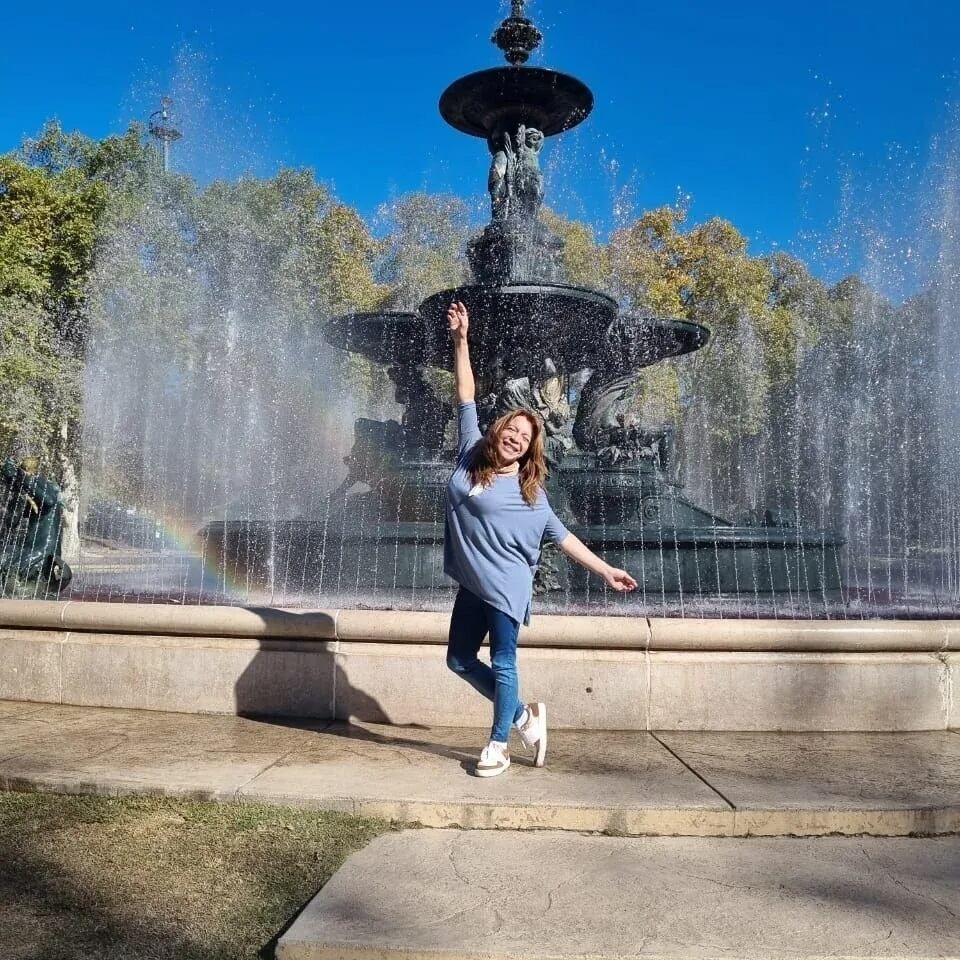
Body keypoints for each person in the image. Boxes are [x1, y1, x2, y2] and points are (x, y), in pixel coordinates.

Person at [444, 301, 637, 777]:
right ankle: (525, 716)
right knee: (459, 660)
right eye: (511, 428)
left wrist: (606, 569)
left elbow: (565, 539)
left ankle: (499, 745)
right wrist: (461, 340)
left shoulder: (531, 495)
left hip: (507, 587)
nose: (514, 437)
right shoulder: (471, 453)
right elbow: (466, 393)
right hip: (472, 582)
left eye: (524, 436)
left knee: (504, 662)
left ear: (530, 447)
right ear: (499, 431)